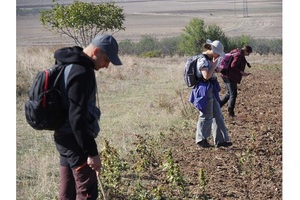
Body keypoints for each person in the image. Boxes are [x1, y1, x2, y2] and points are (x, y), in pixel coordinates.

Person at [53, 34, 122, 199]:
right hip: (76, 141)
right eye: (106, 60)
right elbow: (77, 118)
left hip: (63, 137)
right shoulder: (82, 71)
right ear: (96, 51)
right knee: (87, 191)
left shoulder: (66, 64)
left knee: (67, 191)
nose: (106, 66)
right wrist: (92, 153)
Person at [189, 40, 232, 148]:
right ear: (212, 50)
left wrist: (216, 68)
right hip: (204, 90)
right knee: (206, 115)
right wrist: (213, 66)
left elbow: (212, 71)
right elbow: (206, 76)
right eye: (217, 52)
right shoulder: (202, 60)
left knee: (218, 115)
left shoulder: (208, 59)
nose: (218, 55)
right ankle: (201, 139)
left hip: (211, 89)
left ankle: (221, 140)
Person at [219, 45, 252, 117]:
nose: (248, 55)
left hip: (225, 74)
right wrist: (241, 72)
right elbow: (233, 65)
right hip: (229, 76)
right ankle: (231, 113)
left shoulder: (236, 51)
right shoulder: (239, 55)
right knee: (233, 94)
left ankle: (218, 107)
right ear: (246, 51)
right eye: (248, 53)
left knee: (229, 93)